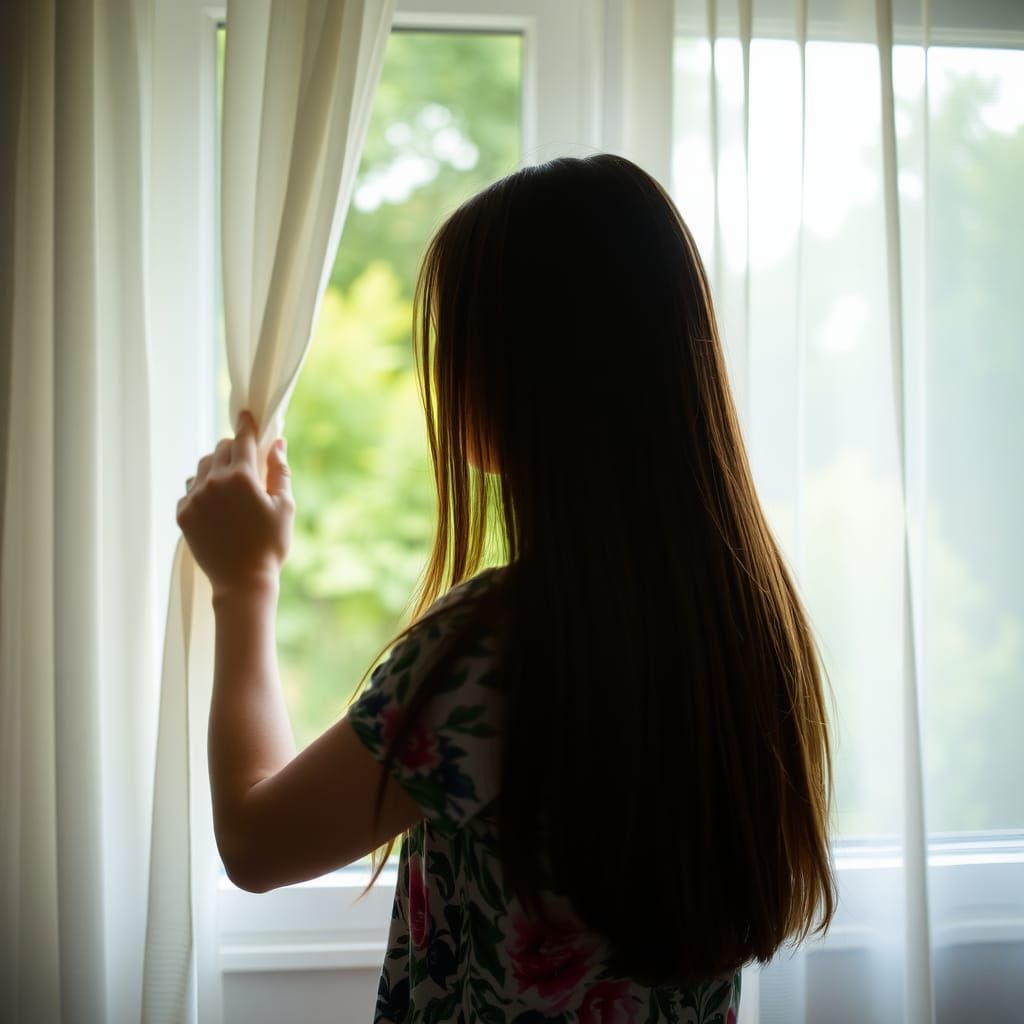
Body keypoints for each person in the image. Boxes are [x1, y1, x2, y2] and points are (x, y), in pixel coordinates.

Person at [177, 153, 837, 1023]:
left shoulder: (493, 650)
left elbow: (258, 844)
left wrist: (243, 585)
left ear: (505, 384)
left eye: (454, 344)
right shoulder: (751, 624)